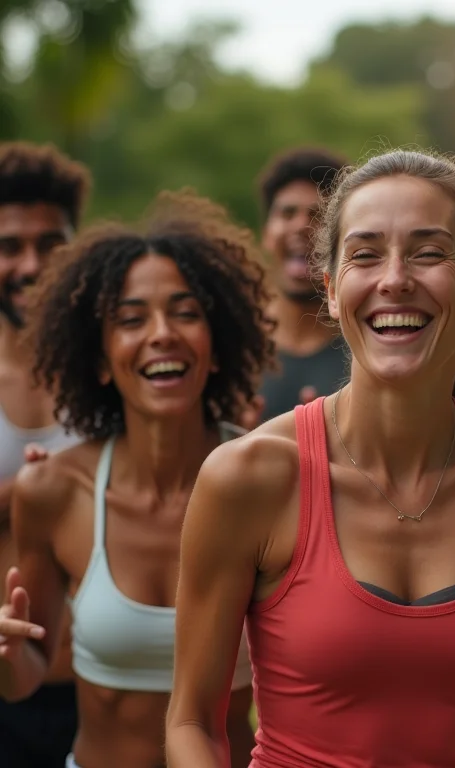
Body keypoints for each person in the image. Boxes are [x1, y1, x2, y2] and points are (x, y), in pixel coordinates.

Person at [166, 150, 455, 768]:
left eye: (428, 251)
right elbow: (192, 724)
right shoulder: (249, 478)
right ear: (333, 290)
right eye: (364, 253)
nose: (394, 279)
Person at [0, 190, 275, 768]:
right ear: (99, 359)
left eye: (186, 312)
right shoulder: (52, 492)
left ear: (216, 346)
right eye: (130, 319)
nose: (160, 334)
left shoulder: (274, 481)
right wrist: (6, 655)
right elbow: (27, 674)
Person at [0, 142, 88, 767]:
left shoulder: (116, 369)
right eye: (9, 246)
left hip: (103, 691)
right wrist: (26, 495)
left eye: (51, 243)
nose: (32, 265)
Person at [254, 147, 349, 423]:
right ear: (266, 234)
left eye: (318, 215)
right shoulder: (232, 345)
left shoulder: (367, 347)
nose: (301, 226)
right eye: (287, 213)